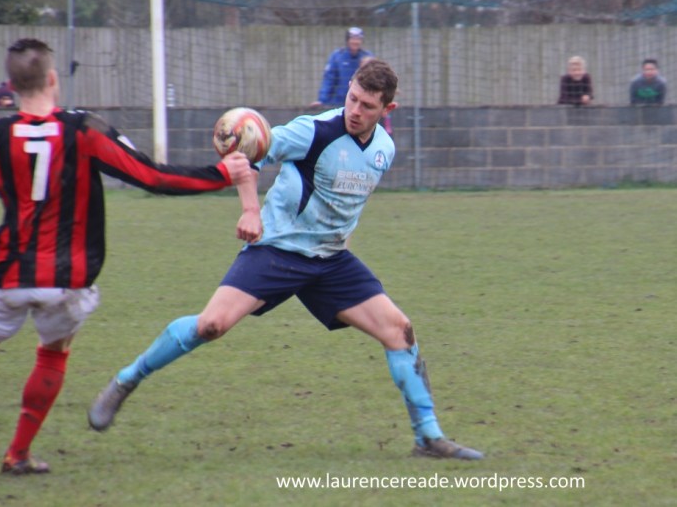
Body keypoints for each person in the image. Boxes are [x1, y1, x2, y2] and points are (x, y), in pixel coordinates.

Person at [89, 59, 484, 461]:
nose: (355, 110)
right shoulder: (314, 131)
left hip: (331, 261)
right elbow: (250, 153)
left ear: (388, 109)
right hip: (276, 251)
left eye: (367, 106)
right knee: (211, 325)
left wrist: (337, 242)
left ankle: (428, 437)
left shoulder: (385, 149)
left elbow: (346, 204)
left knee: (400, 330)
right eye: (352, 98)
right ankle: (127, 379)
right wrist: (250, 210)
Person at [0, 38, 252, 477]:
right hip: (68, 279)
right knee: (53, 353)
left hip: (6, 273)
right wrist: (219, 175)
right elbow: (150, 176)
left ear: (11, 86)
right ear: (53, 79)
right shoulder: (84, 130)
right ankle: (18, 454)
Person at [310, 27, 373, 108]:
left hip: (359, 103)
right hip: (337, 103)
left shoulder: (368, 57)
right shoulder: (337, 56)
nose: (355, 42)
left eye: (358, 39)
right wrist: (322, 100)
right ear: (348, 40)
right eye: (353, 39)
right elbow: (329, 79)